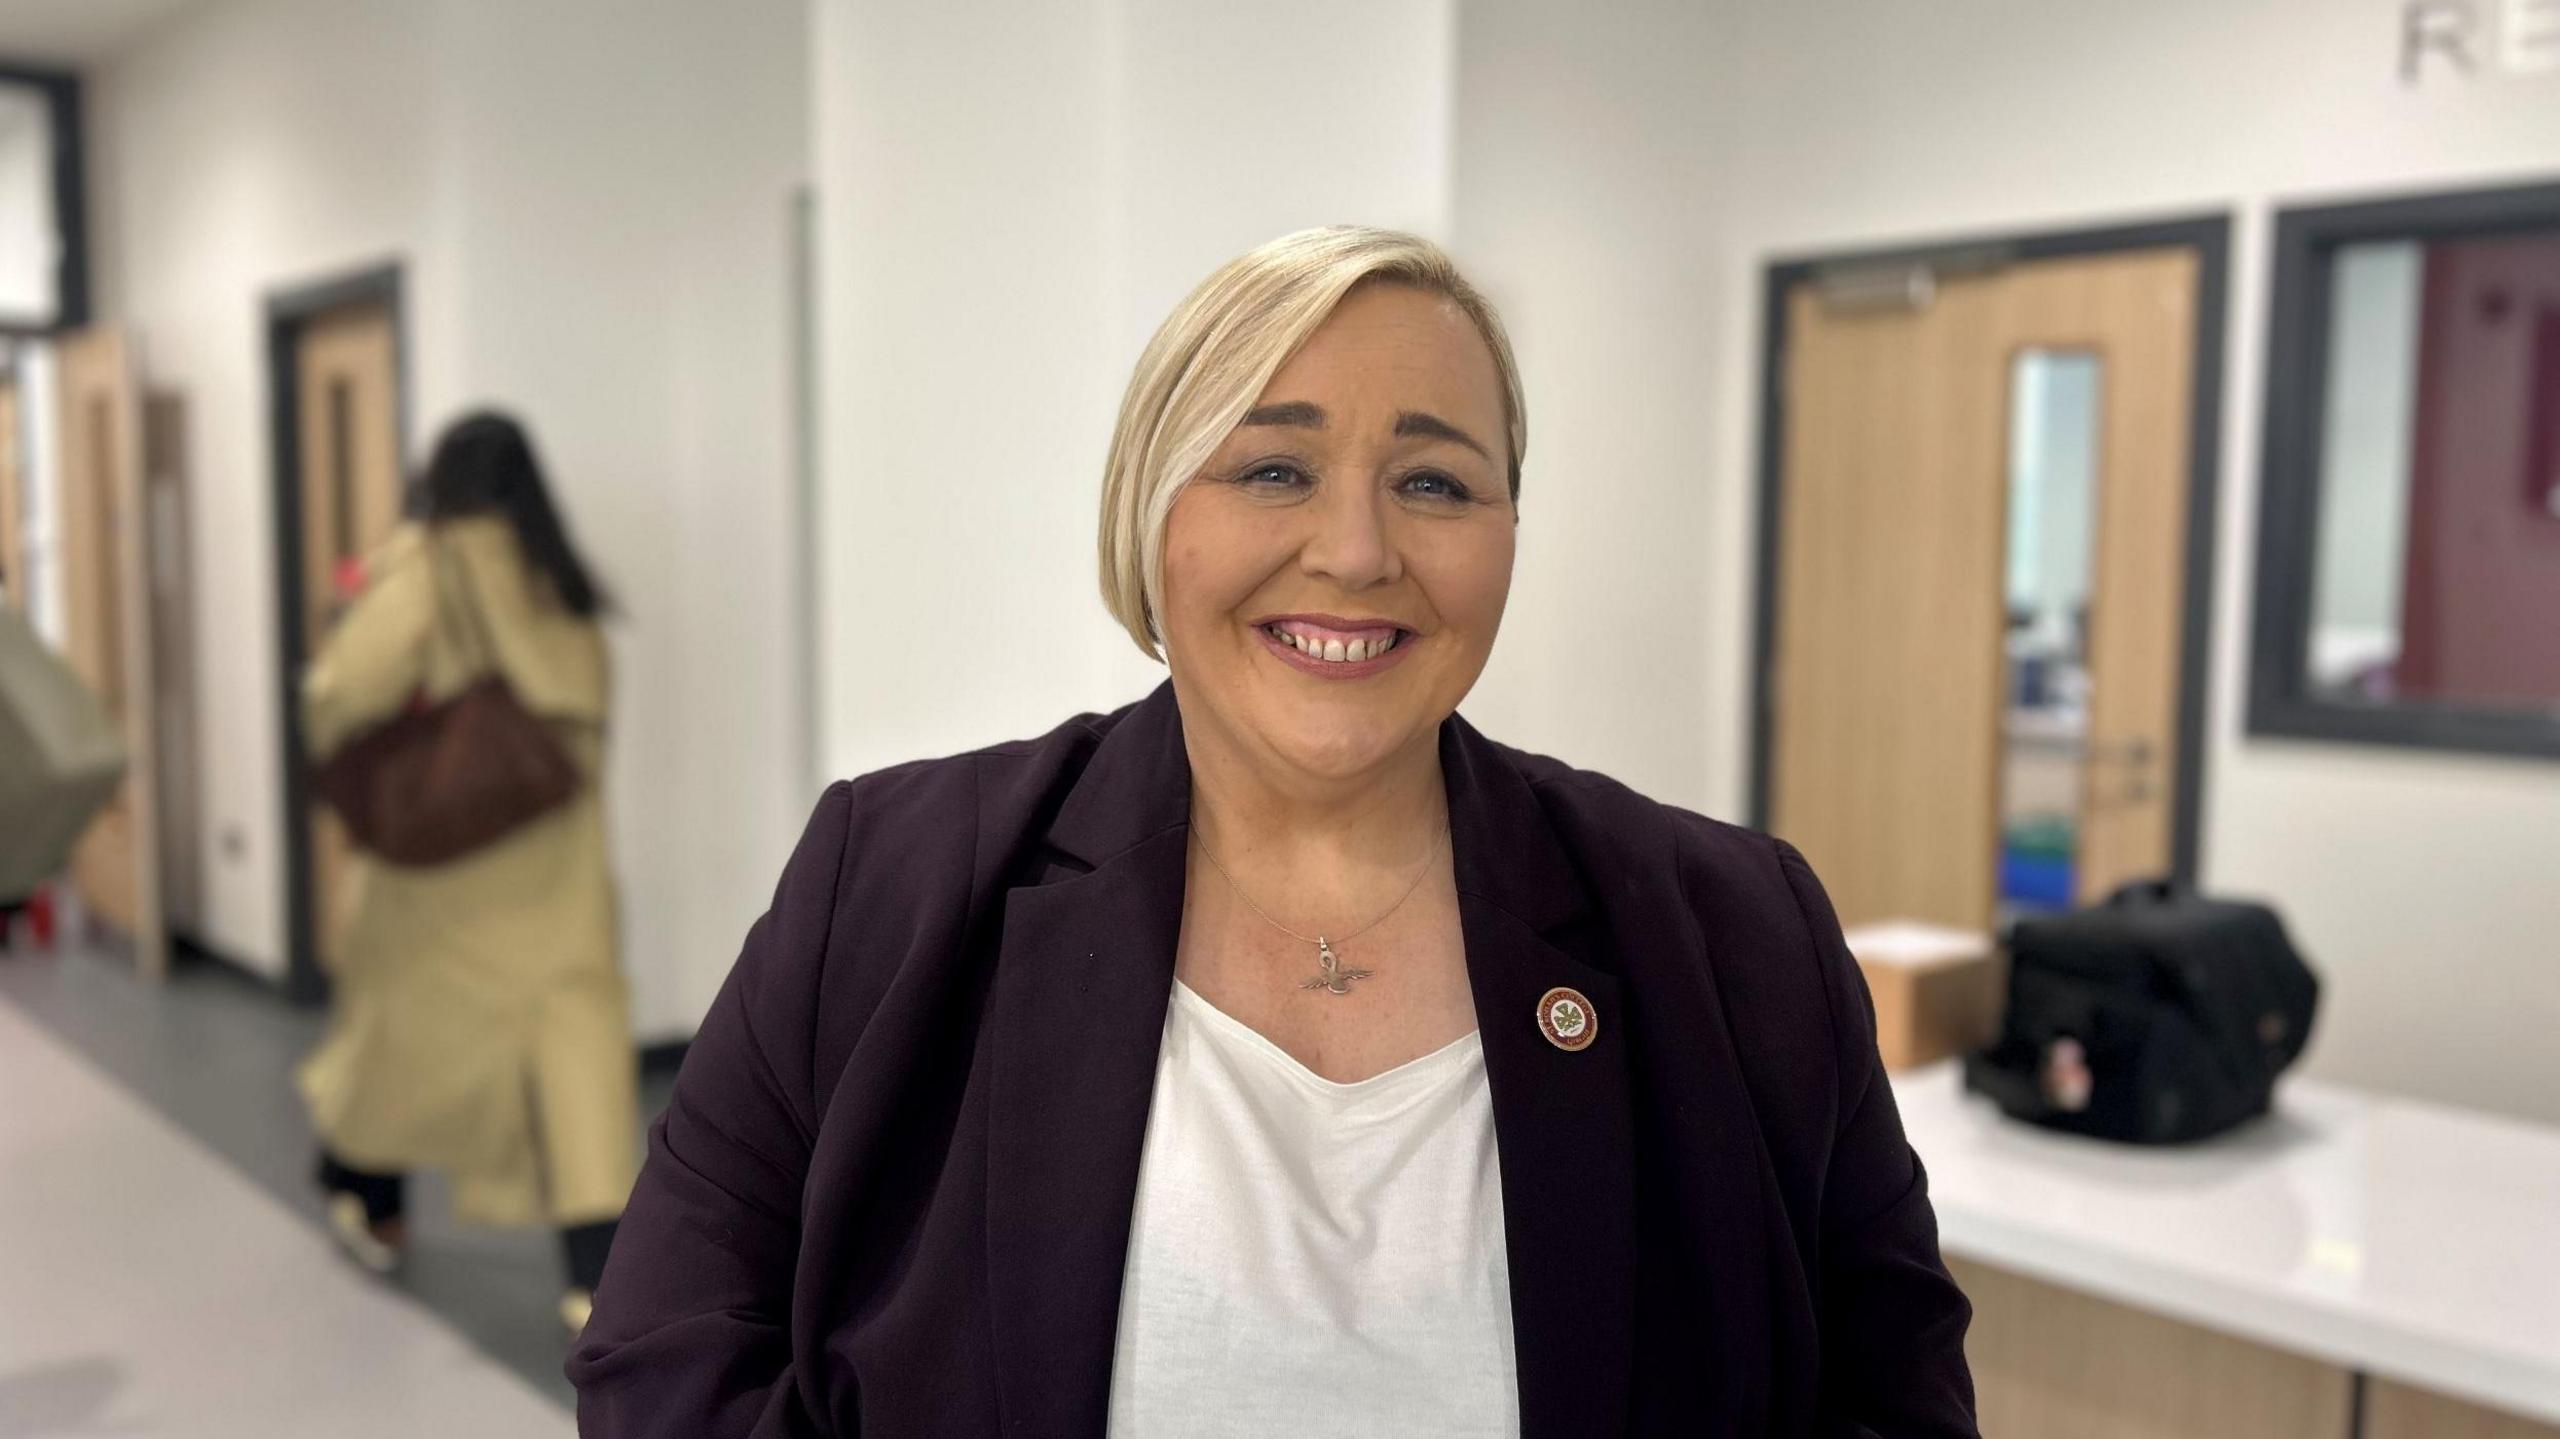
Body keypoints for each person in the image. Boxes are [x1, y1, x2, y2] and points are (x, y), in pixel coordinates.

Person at [571, 229, 1978, 1436]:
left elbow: (1894, 1392)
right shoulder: (890, 877)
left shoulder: (1735, 927)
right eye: (1271, 469)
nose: (1358, 549)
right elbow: (666, 1358)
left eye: (1435, 482)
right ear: (1148, 514)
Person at [299, 412, 636, 1335]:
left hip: (443, 878)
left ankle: (367, 1198)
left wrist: (337, 732)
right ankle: (594, 1280)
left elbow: (342, 692)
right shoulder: (556, 576)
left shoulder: (425, 565)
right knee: (578, 1073)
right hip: (560, 876)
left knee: (396, 1040)